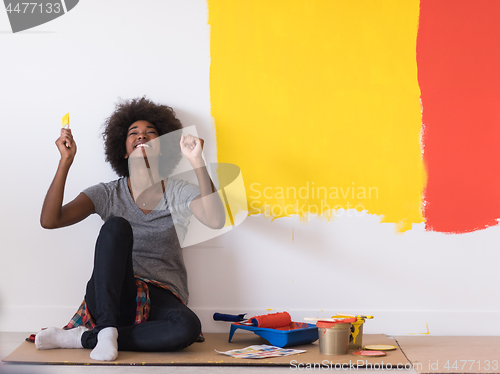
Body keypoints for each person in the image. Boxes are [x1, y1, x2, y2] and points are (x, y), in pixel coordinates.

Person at [34, 97, 225, 361]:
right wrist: (65, 161)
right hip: (113, 294)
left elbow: (215, 219)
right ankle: (106, 326)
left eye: (151, 133)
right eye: (133, 133)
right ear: (123, 150)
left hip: (161, 296)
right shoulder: (107, 193)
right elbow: (50, 220)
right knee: (116, 226)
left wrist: (197, 160)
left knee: (187, 328)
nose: (142, 136)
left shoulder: (178, 191)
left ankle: (87, 337)